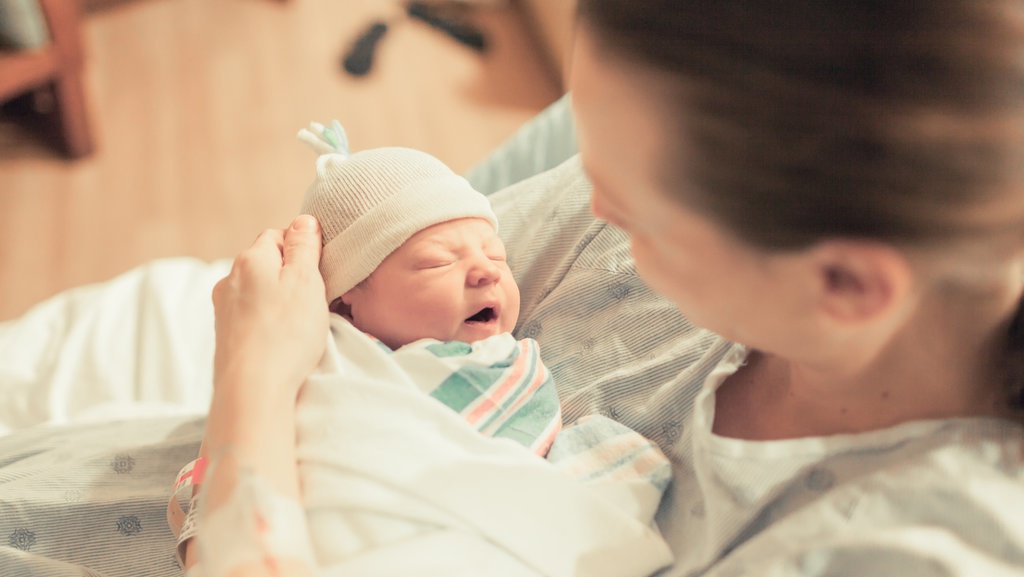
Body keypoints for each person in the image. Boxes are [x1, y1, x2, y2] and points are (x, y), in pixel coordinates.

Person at [197, 1, 1024, 576]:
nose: (591, 208)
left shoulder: (899, 545)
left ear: (844, 284)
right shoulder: (687, 195)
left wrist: (253, 384)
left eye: (631, 208)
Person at [173, 124, 674, 577]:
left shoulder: (504, 365)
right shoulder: (333, 356)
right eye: (437, 263)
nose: (487, 271)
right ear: (347, 308)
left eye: (496, 254)